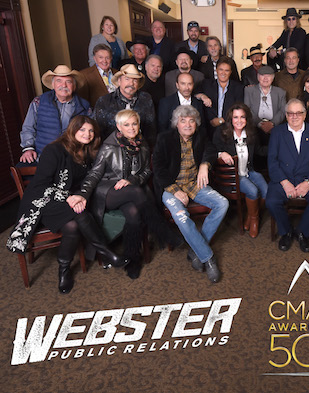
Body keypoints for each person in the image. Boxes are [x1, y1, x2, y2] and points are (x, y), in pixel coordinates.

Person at [7, 116, 130, 293]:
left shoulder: (88, 152)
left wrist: (78, 197)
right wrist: (70, 198)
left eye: (90, 131)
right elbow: (41, 185)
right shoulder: (54, 150)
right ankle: (106, 252)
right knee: (79, 214)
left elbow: (88, 181)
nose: (87, 134)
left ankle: (63, 270)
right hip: (43, 201)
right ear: (72, 130)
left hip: (70, 202)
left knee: (72, 226)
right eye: (82, 130)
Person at [77, 109, 180, 279]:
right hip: (109, 192)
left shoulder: (143, 144)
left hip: (131, 191)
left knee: (133, 214)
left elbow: (146, 171)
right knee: (136, 193)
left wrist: (131, 181)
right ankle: (162, 230)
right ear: (119, 127)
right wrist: (83, 194)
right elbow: (94, 174)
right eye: (126, 125)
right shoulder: (109, 146)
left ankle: (133, 260)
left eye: (134, 123)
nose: (131, 128)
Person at [153, 105, 229, 283]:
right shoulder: (164, 139)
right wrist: (175, 190)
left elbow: (210, 150)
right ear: (176, 124)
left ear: (196, 123)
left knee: (222, 203)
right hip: (171, 187)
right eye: (183, 120)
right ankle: (208, 258)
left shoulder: (200, 135)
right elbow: (158, 167)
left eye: (191, 121)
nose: (188, 124)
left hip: (194, 184)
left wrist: (205, 165)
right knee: (182, 216)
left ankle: (195, 249)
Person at [266, 99, 309, 253]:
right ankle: (286, 231)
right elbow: (272, 162)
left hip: (307, 178)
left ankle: (303, 232)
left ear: (304, 115)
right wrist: (284, 182)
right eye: (290, 113)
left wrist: (308, 182)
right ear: (286, 115)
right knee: (271, 201)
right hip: (284, 178)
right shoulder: (277, 132)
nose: (294, 117)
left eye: (298, 113)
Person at [213, 103, 268, 238]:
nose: (239, 121)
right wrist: (221, 154)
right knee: (253, 191)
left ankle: (251, 215)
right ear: (230, 119)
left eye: (242, 117)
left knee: (267, 190)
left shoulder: (251, 133)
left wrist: (277, 148)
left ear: (247, 119)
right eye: (235, 117)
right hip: (234, 176)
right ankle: (255, 220)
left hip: (249, 170)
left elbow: (260, 151)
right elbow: (210, 150)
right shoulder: (222, 133)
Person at [20, 65, 90, 165]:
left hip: (72, 156)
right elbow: (28, 127)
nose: (64, 85)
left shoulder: (85, 106)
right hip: (42, 155)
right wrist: (28, 149)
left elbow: (90, 133)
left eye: (68, 81)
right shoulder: (38, 102)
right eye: (59, 81)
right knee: (20, 173)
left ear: (74, 86)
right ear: (53, 85)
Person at [93, 64, 156, 145]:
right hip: (112, 149)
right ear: (119, 81)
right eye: (127, 79)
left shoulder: (146, 98)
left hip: (140, 149)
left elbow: (151, 129)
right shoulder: (104, 101)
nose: (131, 83)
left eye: (135, 80)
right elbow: (98, 131)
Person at [244, 66, 286, 148]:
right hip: (255, 127)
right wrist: (260, 124)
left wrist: (272, 123)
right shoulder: (249, 90)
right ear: (258, 77)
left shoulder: (281, 92)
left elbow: (282, 110)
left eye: (268, 75)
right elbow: (247, 109)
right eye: (262, 75)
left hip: (274, 127)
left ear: (273, 78)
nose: (265, 78)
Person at [201, 57, 244, 137]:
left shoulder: (238, 87)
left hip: (230, 128)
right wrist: (202, 96)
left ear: (230, 72)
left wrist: (222, 120)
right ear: (216, 70)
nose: (223, 73)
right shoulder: (206, 84)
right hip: (209, 129)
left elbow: (238, 107)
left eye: (226, 70)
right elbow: (194, 94)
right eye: (221, 69)